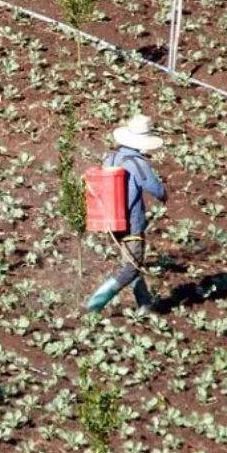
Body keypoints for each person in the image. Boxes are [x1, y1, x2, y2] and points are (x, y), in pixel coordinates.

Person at [86, 114, 167, 314]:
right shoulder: (137, 163)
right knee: (131, 269)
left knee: (132, 262)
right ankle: (95, 303)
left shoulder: (111, 158)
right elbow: (155, 188)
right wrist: (164, 196)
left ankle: (145, 306)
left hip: (113, 220)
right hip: (132, 222)